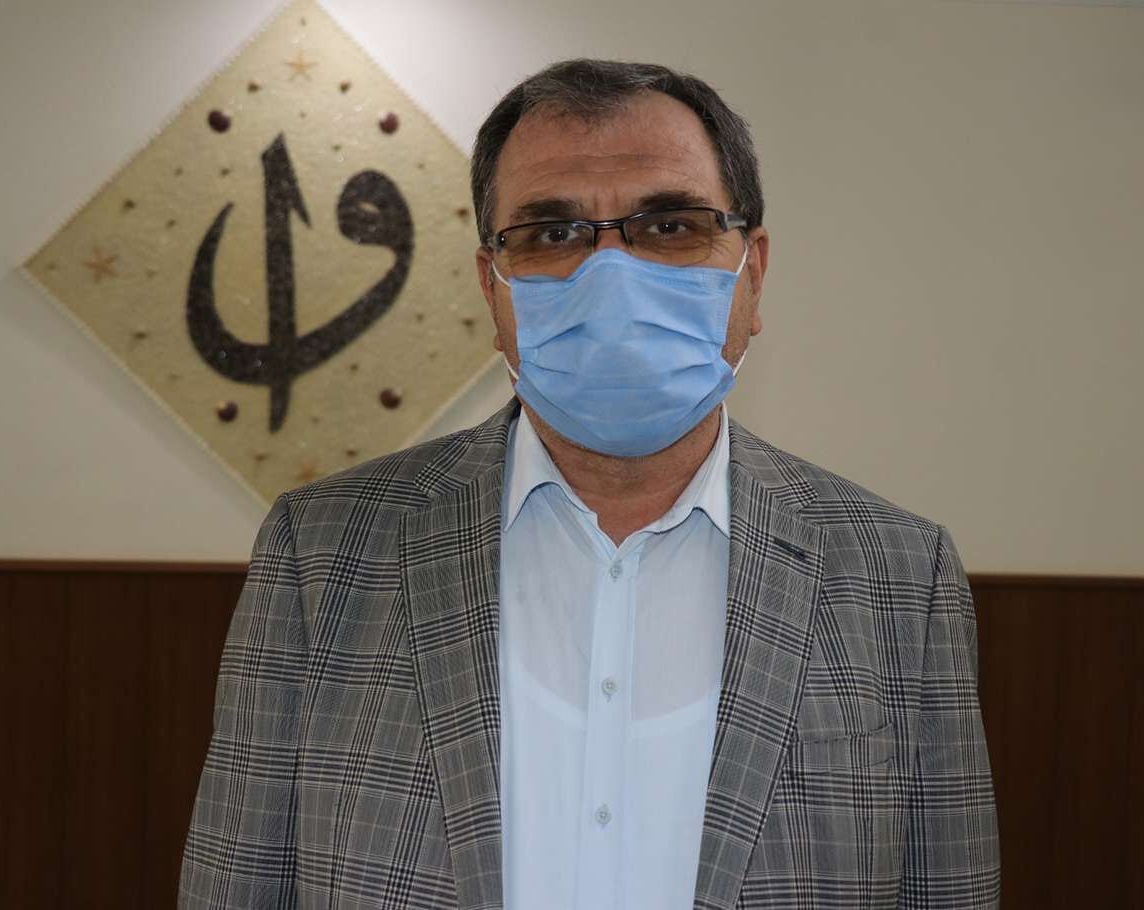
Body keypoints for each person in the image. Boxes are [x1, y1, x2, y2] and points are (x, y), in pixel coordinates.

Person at [180, 58, 1000, 909]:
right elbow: (237, 882)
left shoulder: (901, 575)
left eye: (671, 225)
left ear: (752, 272)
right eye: (552, 233)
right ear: (492, 287)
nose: (611, 277)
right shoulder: (321, 553)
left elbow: (946, 887)